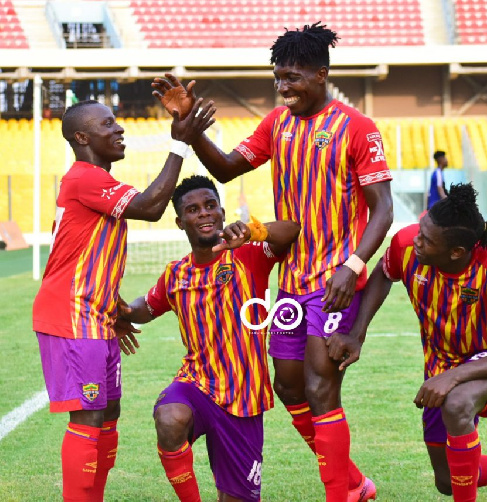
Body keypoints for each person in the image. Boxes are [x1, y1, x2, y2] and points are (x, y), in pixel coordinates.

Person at [151, 22, 393, 502]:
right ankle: (355, 485)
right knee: (288, 389)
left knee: (322, 390)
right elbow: (224, 167)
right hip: (291, 285)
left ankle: (340, 495)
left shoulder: (357, 128)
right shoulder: (276, 125)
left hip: (334, 281)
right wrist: (193, 129)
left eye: (293, 77)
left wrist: (354, 265)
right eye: (278, 78)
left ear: (321, 74)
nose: (283, 87)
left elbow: (384, 208)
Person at [32, 98, 215, 502]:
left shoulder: (94, 183)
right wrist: (180, 144)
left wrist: (111, 307)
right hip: (72, 317)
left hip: (96, 315)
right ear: (82, 137)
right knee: (89, 416)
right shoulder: (84, 177)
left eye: (117, 122)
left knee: (108, 415)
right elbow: (150, 208)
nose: (119, 129)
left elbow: (79, 254)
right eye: (107, 124)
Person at [329, 183, 487, 502]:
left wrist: (454, 376)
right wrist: (357, 333)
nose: (415, 240)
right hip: (439, 363)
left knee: (457, 402)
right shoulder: (407, 244)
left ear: (456, 252)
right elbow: (384, 271)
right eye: (420, 230)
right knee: (448, 480)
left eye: (426, 239)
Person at [118, 175, 300, 502]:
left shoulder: (249, 255)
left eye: (210, 206)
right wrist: (120, 312)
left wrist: (253, 230)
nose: (203, 213)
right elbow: (146, 306)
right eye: (193, 209)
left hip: (244, 397)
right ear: (179, 222)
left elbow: (292, 231)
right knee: (170, 418)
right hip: (197, 384)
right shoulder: (176, 273)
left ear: (221, 212)